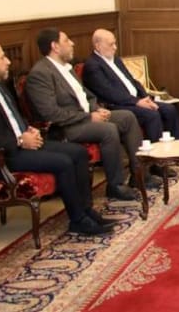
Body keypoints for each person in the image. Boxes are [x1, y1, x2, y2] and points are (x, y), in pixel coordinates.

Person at [0, 40, 112, 235]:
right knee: (63, 162)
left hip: (23, 144)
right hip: (1, 156)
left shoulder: (0, 85)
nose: (8, 61)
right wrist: (19, 140)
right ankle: (78, 221)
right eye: (2, 57)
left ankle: (86, 210)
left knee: (79, 152)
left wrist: (29, 129)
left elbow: (13, 118)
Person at [25, 27, 161, 201]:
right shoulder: (41, 74)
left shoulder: (66, 68)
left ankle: (139, 174)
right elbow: (50, 113)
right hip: (67, 127)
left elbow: (87, 96)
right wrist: (89, 117)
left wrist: (95, 108)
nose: (72, 43)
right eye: (66, 40)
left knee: (127, 117)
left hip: (87, 116)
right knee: (108, 130)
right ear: (55, 46)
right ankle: (116, 186)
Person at [82, 29, 179, 178]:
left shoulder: (115, 59)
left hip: (136, 100)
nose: (115, 47)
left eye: (115, 43)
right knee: (152, 115)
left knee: (170, 110)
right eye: (111, 44)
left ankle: (176, 154)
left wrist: (146, 98)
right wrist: (137, 102)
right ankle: (156, 164)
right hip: (118, 106)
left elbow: (133, 81)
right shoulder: (92, 66)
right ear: (98, 46)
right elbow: (109, 93)